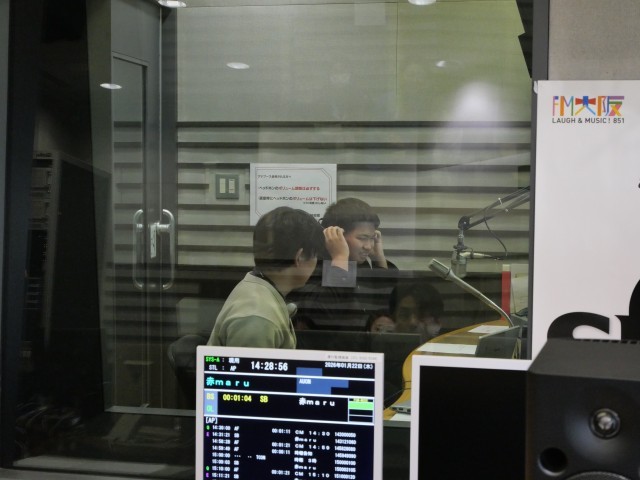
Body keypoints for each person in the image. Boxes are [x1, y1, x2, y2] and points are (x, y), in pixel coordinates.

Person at [207, 206, 325, 348]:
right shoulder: (258, 320)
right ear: (299, 258)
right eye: (315, 255)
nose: (316, 262)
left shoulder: (258, 286)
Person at [290, 198, 398, 330]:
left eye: (371, 238)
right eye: (362, 238)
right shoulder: (313, 265)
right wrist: (340, 258)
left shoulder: (360, 264)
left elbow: (384, 306)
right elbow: (324, 312)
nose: (369, 246)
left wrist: (379, 260)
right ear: (337, 235)